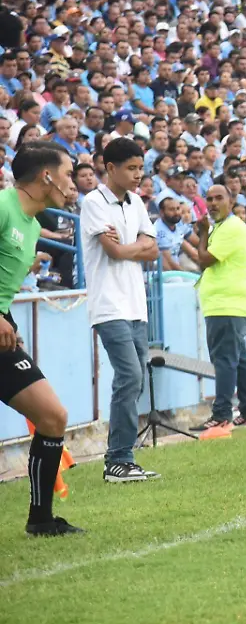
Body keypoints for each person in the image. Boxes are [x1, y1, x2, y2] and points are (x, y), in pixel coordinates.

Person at [0, 141, 84, 535]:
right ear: (46, 176)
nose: (73, 184)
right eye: (68, 173)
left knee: (52, 416)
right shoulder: (3, 206)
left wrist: (6, 319)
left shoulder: (32, 225)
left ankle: (41, 520)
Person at [81, 137, 161, 483]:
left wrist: (127, 246)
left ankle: (121, 458)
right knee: (129, 376)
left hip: (135, 305)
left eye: (140, 168)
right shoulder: (94, 201)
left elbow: (153, 250)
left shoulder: (136, 203)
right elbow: (113, 253)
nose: (137, 175)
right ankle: (118, 459)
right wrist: (136, 247)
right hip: (108, 305)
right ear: (110, 168)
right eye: (131, 168)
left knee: (136, 377)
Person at [188, 184, 246, 437]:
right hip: (230, 303)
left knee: (224, 360)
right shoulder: (225, 227)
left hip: (225, 304)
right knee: (239, 359)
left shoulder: (229, 228)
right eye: (209, 199)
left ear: (232, 200)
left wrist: (203, 232)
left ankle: (221, 416)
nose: (213, 203)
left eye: (219, 198)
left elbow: (204, 259)